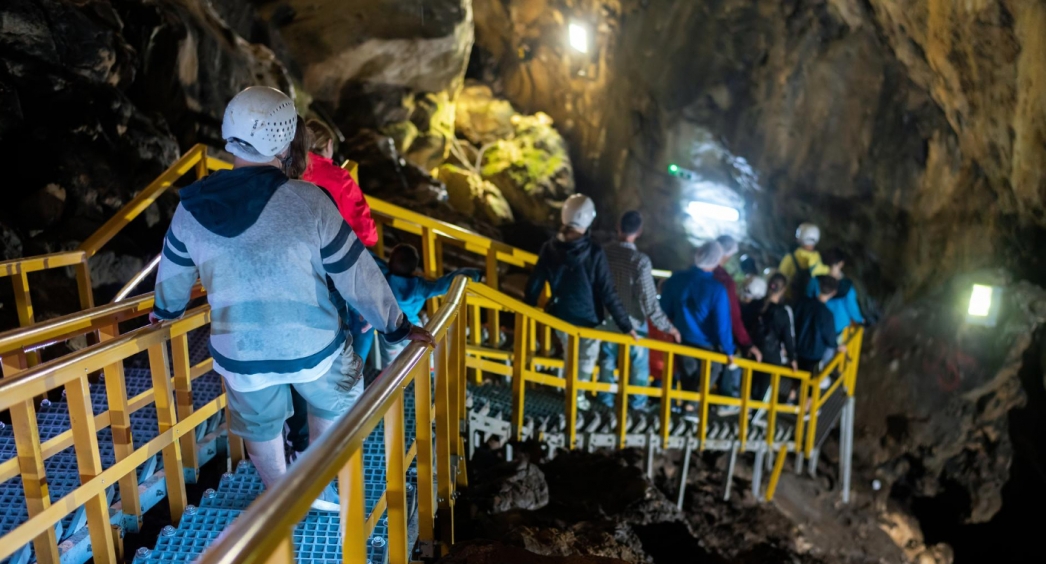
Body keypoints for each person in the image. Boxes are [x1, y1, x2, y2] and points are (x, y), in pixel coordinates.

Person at [152, 86, 433, 511]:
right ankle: (314, 482)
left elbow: (171, 279)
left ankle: (281, 500)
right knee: (339, 391)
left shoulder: (191, 207)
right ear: (286, 140)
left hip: (239, 353)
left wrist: (164, 313)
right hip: (312, 346)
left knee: (259, 423)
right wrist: (397, 325)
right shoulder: (308, 200)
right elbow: (357, 272)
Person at [523, 194, 636, 411]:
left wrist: (526, 309)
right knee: (585, 359)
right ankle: (577, 396)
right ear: (589, 219)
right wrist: (626, 325)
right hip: (589, 319)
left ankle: (569, 391)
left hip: (561, 315)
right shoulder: (594, 251)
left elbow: (534, 284)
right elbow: (607, 291)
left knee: (569, 354)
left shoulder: (549, 248)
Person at [596, 211, 680, 410]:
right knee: (639, 365)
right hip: (633, 324)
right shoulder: (640, 261)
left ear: (618, 226)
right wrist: (670, 328)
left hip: (605, 319)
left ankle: (604, 401)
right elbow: (650, 303)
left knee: (607, 360)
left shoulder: (603, 253)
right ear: (639, 231)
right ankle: (637, 404)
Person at [659, 241, 735, 418]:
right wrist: (729, 351)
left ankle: (687, 411)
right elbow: (722, 325)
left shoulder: (676, 279)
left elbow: (664, 309)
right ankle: (691, 410)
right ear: (716, 261)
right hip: (707, 347)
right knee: (705, 378)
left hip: (682, 340)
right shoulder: (717, 290)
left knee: (688, 379)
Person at [379, 244, 481, 366]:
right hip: (411, 325)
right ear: (414, 268)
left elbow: (372, 258)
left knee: (391, 362)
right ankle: (429, 376)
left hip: (387, 324)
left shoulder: (382, 278)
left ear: (390, 263)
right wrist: (474, 273)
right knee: (423, 353)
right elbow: (443, 285)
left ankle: (390, 380)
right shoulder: (420, 287)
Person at [744, 274, 797, 401]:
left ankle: (746, 413)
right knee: (763, 392)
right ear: (783, 289)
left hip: (752, 352)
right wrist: (792, 358)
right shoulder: (783, 312)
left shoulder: (754, 305)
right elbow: (788, 338)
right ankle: (753, 417)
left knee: (749, 387)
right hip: (772, 357)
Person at [794, 275, 846, 397]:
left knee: (796, 373)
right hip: (813, 353)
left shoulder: (803, 303)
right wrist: (838, 346)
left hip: (797, 347)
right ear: (833, 293)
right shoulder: (827, 314)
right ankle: (808, 409)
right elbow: (830, 338)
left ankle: (791, 396)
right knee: (812, 382)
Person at [806, 248, 865, 336]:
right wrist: (860, 319)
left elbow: (808, 298)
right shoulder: (847, 286)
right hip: (838, 325)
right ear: (841, 263)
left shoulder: (815, 280)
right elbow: (852, 306)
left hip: (817, 321)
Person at [778, 222, 829, 300]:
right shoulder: (818, 261)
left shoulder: (789, 259)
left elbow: (779, 279)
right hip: (810, 304)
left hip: (791, 300)